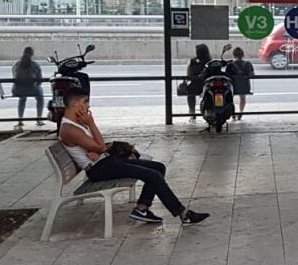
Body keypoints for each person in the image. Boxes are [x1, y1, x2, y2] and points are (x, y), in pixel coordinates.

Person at [58, 88, 209, 225]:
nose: (88, 106)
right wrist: (92, 126)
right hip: (99, 169)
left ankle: (141, 209)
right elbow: (101, 146)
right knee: (153, 176)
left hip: (105, 162)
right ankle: (183, 214)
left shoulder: (77, 123)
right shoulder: (70, 129)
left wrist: (98, 150)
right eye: (85, 102)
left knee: (158, 167)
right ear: (75, 104)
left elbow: (100, 147)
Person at [11, 46, 44, 129]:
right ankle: (39, 119)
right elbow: (40, 80)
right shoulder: (35, 65)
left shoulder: (16, 64)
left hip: (17, 90)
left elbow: (14, 78)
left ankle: (20, 120)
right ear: (32, 54)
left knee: (22, 98)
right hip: (32, 89)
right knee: (40, 97)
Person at [225, 47, 255, 121]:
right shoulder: (248, 64)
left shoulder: (230, 65)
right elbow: (252, 74)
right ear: (243, 55)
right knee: (242, 98)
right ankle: (240, 112)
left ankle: (233, 113)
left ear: (234, 55)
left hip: (234, 86)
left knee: (230, 99)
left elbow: (226, 75)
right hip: (244, 86)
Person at [186, 43, 211, 121]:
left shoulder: (193, 61)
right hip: (207, 85)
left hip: (195, 84)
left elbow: (189, 74)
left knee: (190, 94)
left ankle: (192, 113)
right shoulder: (210, 61)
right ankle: (209, 111)